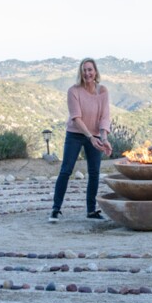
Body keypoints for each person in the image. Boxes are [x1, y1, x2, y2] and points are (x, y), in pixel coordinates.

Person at [49, 58, 113, 222]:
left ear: (95, 72)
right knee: (66, 170)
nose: (87, 73)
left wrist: (103, 138)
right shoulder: (73, 91)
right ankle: (56, 209)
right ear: (80, 72)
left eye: (90, 70)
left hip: (95, 136)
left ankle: (91, 211)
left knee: (94, 173)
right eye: (84, 70)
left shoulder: (103, 91)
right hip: (76, 134)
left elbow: (105, 117)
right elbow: (76, 118)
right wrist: (90, 137)